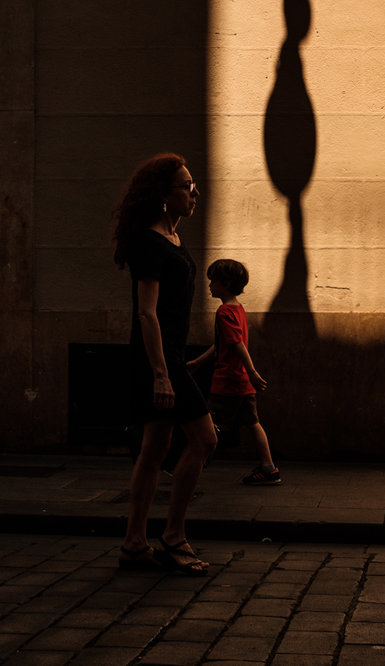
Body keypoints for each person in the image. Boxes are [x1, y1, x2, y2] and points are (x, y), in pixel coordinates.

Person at [113, 153, 217, 574]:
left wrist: (180, 361)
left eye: (193, 184)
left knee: (154, 449)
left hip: (172, 357)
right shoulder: (148, 242)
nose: (194, 192)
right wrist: (161, 372)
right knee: (205, 439)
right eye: (186, 186)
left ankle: (134, 544)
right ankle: (173, 535)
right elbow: (147, 313)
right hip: (156, 360)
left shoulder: (173, 238)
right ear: (163, 195)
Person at [188, 259, 280, 486]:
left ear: (225, 283)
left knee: (205, 424)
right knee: (253, 423)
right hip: (242, 383)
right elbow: (223, 344)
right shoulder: (238, 309)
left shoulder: (223, 312)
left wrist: (252, 371)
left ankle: (189, 468)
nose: (209, 285)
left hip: (227, 381)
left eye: (213, 281)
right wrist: (198, 363)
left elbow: (237, 344)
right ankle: (269, 468)